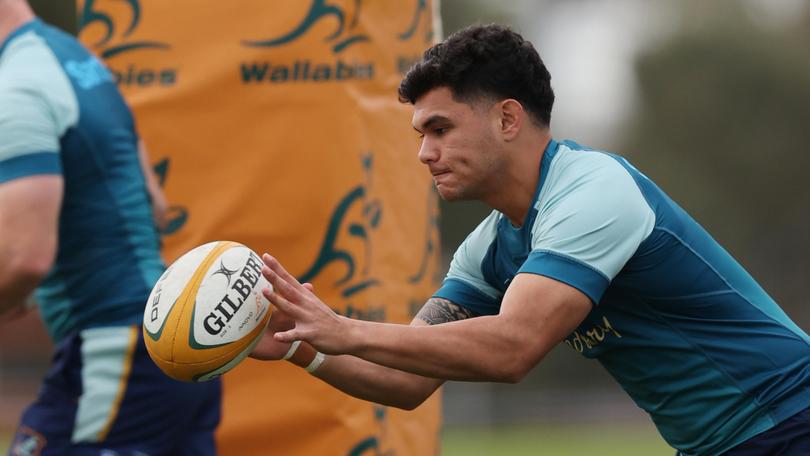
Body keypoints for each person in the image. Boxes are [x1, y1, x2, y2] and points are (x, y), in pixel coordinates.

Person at [252, 24, 810, 456]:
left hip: (791, 420)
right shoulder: (489, 249)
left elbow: (512, 347)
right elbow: (406, 381)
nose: (424, 153)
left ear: (508, 119)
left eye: (440, 129)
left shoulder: (593, 191)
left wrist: (344, 329)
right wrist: (305, 346)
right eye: (421, 135)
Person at [0, 1, 220, 454]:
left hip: (115, 352)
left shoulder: (17, 88)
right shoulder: (78, 60)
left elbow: (24, 258)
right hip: (166, 342)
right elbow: (156, 206)